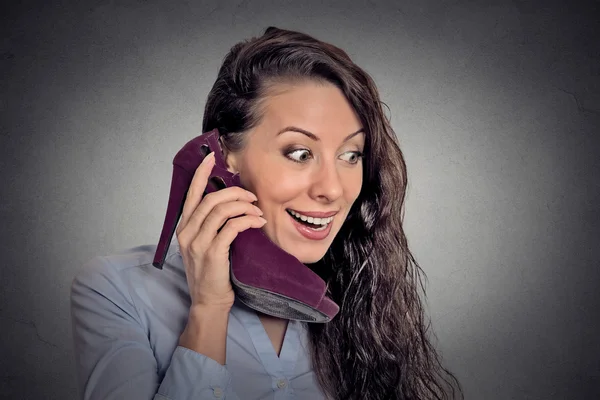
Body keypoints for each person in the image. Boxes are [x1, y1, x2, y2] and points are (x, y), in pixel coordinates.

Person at [70, 26, 463, 400]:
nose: (331, 189)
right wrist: (208, 310)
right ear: (223, 156)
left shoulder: (364, 290)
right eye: (300, 153)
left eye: (350, 155)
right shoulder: (117, 290)